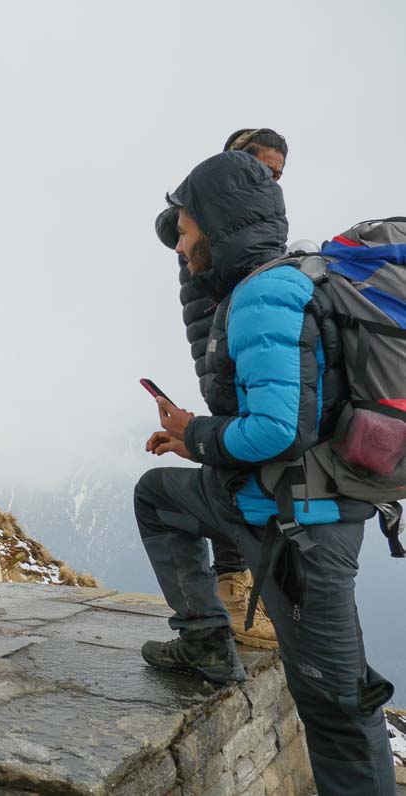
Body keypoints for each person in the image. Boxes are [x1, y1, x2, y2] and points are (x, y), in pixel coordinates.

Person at [136, 152, 395, 794]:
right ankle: (203, 641)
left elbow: (280, 430)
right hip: (258, 502)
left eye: (188, 227)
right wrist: (191, 437)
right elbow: (276, 414)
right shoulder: (264, 288)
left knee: (336, 707)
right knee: (158, 498)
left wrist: (196, 433)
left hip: (304, 532)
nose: (182, 241)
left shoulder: (263, 294)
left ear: (220, 225)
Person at [152, 127, 289, 650]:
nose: (270, 180)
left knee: (240, 444)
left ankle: (248, 592)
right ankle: (233, 589)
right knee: (230, 441)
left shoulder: (246, 225)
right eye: (262, 168)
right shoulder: (202, 220)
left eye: (277, 174)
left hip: (237, 340)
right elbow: (170, 227)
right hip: (221, 341)